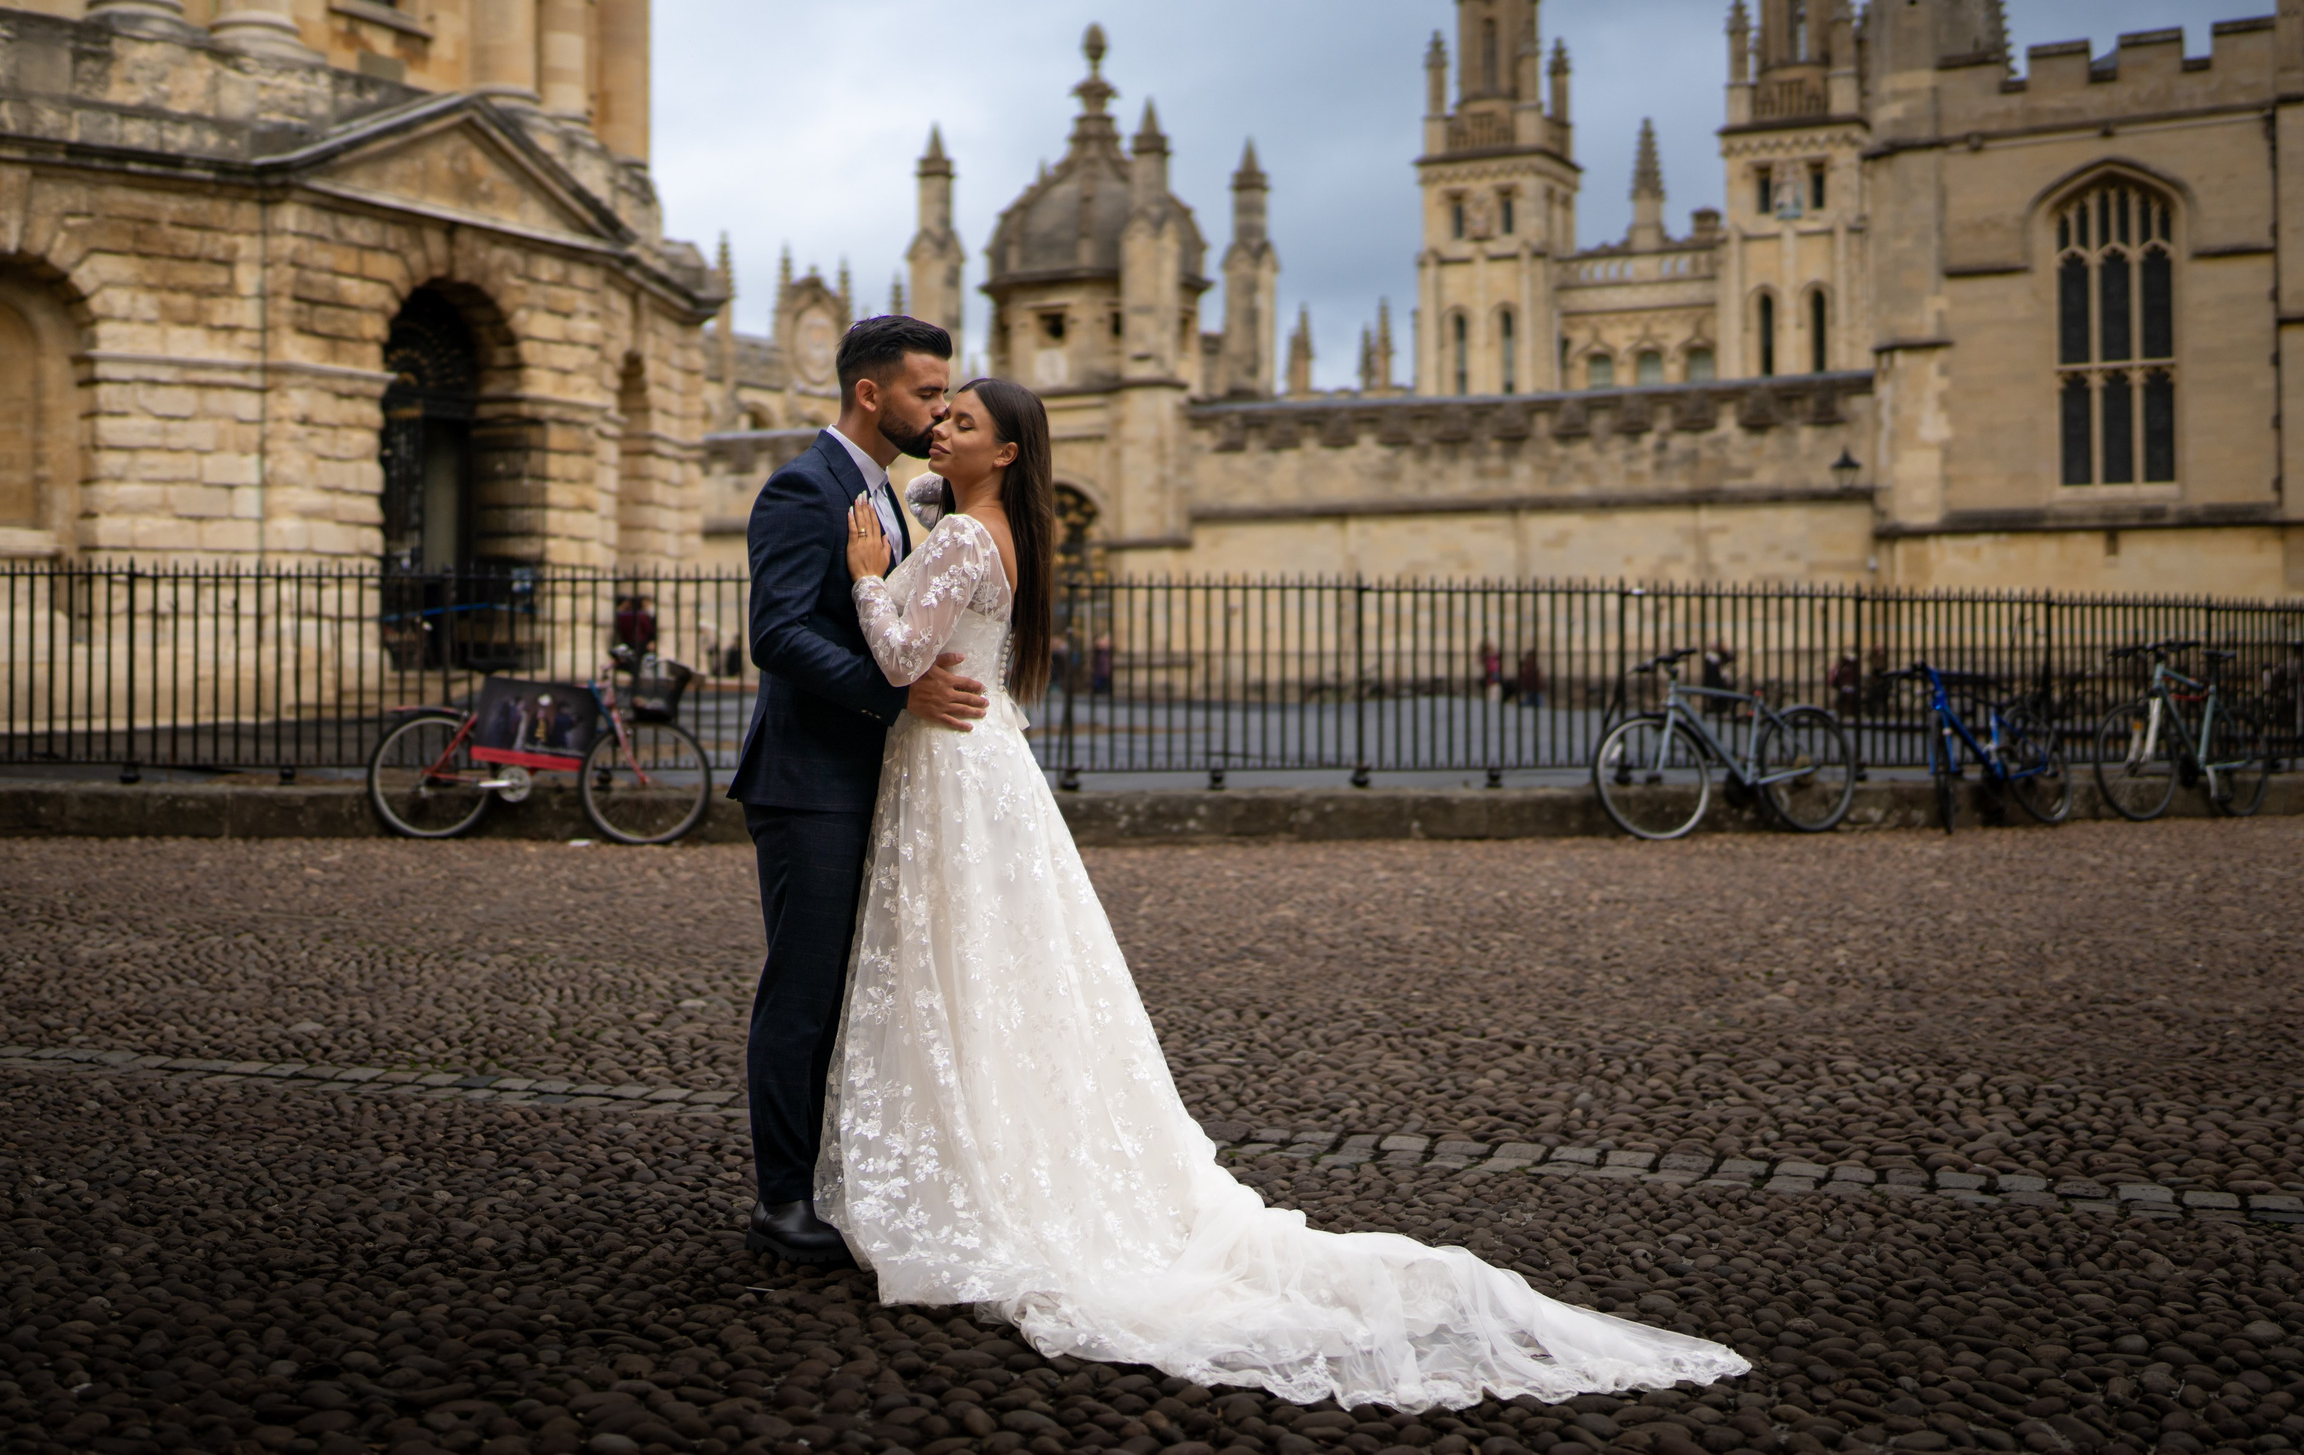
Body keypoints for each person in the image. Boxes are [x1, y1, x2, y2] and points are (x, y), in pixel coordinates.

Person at [827, 377, 1747, 1411]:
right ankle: (1005, 1148)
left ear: (1001, 451)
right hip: (992, 761)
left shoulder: (958, 540)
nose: (935, 427)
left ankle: (973, 1163)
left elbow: (905, 652)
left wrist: (871, 574)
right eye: (937, 412)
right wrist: (914, 526)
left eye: (959, 421)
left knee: (957, 965)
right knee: (1006, 971)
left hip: (949, 762)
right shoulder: (1007, 532)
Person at [727, 315, 990, 1268]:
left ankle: (838, 1180)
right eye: (928, 394)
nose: (942, 409)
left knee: (854, 992)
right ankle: (783, 1199)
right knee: (801, 994)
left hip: (865, 778)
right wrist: (899, 690)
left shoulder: (889, 493)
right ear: (870, 394)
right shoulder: (805, 487)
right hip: (808, 785)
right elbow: (777, 633)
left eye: (948, 395)